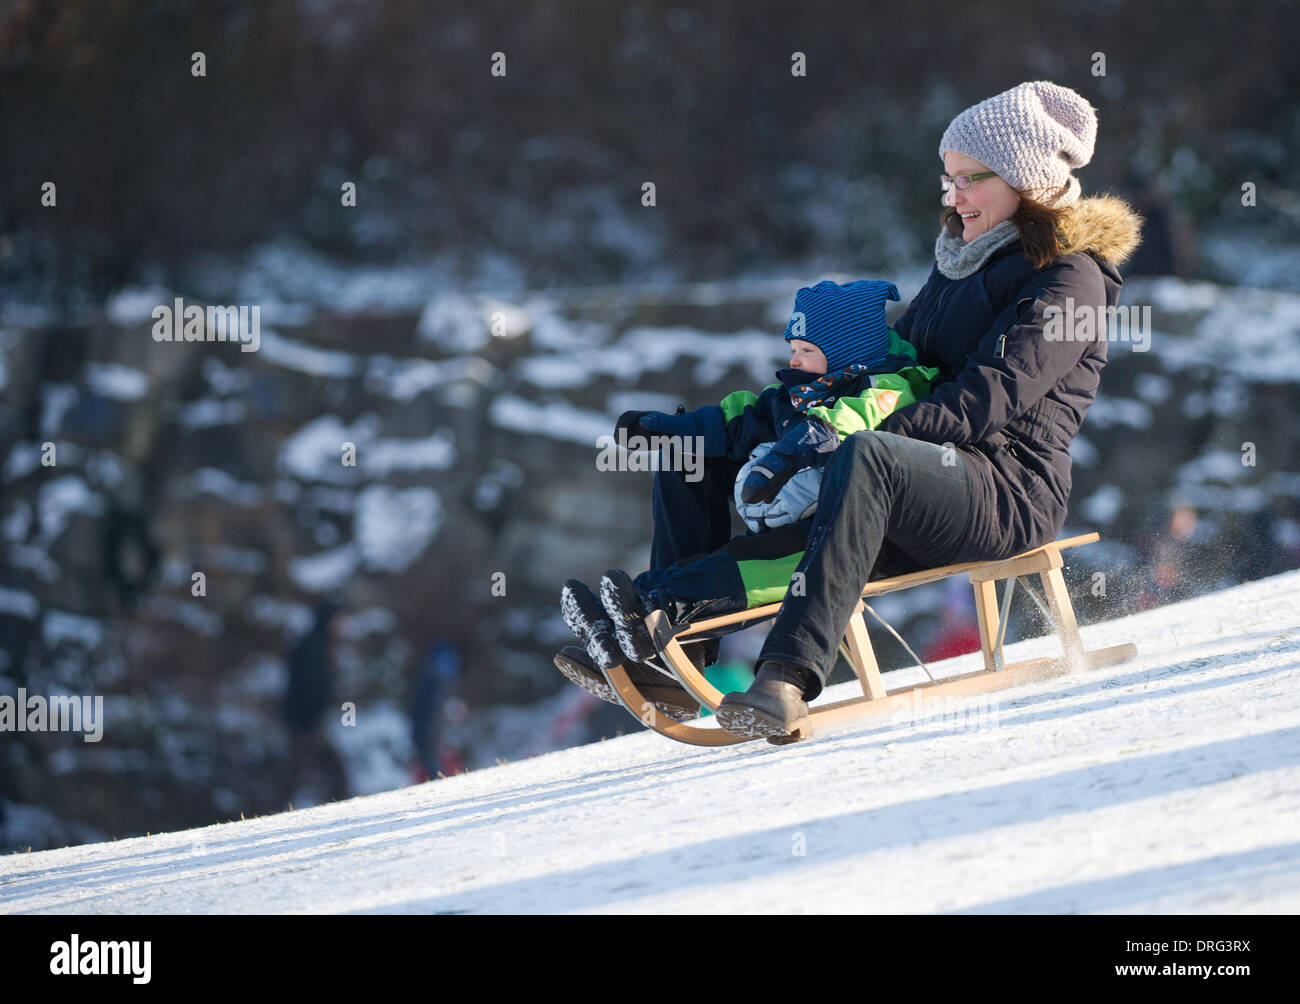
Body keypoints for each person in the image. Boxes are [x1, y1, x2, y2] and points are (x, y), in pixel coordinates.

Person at [702, 79, 1143, 738]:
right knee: (723, 441)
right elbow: (903, 362)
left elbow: (991, 394)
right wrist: (812, 408)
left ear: (1026, 180)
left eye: (970, 178)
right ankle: (660, 632)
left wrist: (870, 430)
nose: (952, 196)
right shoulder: (967, 262)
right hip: (937, 476)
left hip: (1007, 494)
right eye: (948, 179)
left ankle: (787, 678)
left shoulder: (1072, 280)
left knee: (868, 453)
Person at [556, 279, 937, 719]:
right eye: (793, 347)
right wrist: (667, 428)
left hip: (852, 534)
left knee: (748, 560)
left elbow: (862, 416)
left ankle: (649, 608)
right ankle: (653, 645)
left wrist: (800, 445)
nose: (794, 359)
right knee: (689, 457)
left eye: (806, 351)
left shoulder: (891, 386)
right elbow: (738, 417)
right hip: (794, 520)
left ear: (847, 352)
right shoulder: (796, 394)